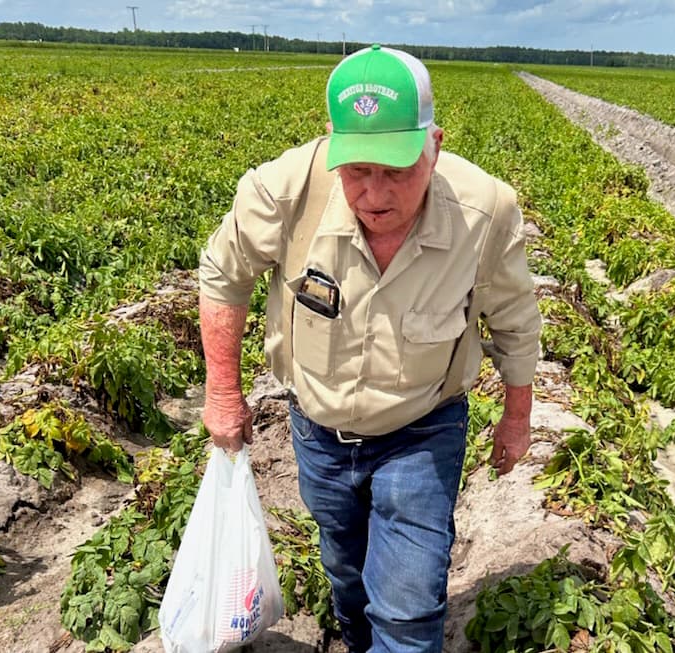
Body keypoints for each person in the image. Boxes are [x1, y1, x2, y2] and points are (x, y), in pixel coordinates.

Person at [198, 44, 541, 653]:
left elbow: (514, 317)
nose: (376, 195)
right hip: (318, 430)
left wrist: (517, 416)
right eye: (357, 169)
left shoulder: (484, 211)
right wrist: (222, 390)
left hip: (421, 427)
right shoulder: (284, 191)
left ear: (434, 145)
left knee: (407, 608)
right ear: (332, 146)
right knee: (348, 574)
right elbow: (224, 274)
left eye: (397, 170)